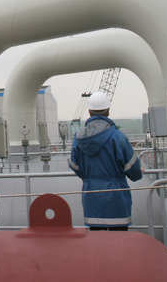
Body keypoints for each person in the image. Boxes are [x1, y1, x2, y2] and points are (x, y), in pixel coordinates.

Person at [68, 92, 142, 231]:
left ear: (89, 112)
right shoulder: (118, 137)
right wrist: (139, 173)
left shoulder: (79, 138)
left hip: (92, 199)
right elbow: (133, 170)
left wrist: (88, 177)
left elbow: (75, 166)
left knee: (97, 242)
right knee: (119, 241)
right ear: (108, 111)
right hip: (117, 201)